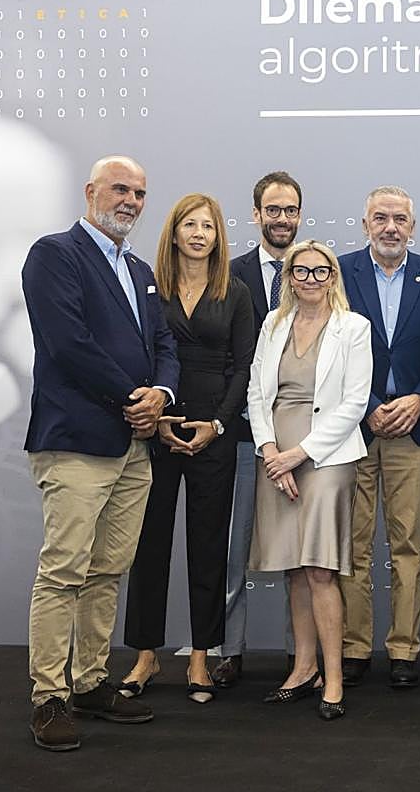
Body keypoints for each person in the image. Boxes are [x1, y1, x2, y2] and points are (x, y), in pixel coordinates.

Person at [22, 156, 179, 751]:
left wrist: (160, 394)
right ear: (90, 191)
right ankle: (49, 696)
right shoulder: (54, 254)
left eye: (140, 192)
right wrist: (129, 398)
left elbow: (163, 343)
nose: (132, 201)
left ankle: (88, 680)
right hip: (76, 441)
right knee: (64, 570)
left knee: (108, 569)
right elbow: (68, 342)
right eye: (121, 189)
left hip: (133, 446)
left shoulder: (139, 269)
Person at [120, 194, 254, 702]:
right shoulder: (147, 287)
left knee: (208, 546)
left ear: (219, 237)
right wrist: (156, 422)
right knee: (149, 547)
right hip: (157, 429)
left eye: (209, 226)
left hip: (214, 434)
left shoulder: (236, 292)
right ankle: (146, 656)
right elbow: (139, 354)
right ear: (173, 232)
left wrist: (218, 424)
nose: (199, 234)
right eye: (190, 225)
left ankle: (202, 655)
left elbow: (245, 367)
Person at [246, 240, 372, 720]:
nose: (311, 280)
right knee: (294, 568)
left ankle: (334, 679)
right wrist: (271, 451)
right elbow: (257, 394)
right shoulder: (272, 325)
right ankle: (302, 669)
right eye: (302, 271)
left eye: (322, 272)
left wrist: (300, 454)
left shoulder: (353, 328)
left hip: (327, 456)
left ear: (333, 278)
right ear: (289, 277)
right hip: (276, 453)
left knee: (320, 568)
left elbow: (355, 404)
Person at [338, 186, 420, 690]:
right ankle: (354, 647)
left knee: (408, 546)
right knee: (352, 547)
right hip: (351, 432)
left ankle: (404, 650)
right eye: (380, 218)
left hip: (414, 429)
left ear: (413, 226)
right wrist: (366, 407)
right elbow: (326, 352)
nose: (390, 227)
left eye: (400, 218)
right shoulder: (338, 272)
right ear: (364, 225)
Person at [215, 171, 304, 686]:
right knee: (235, 548)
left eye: (290, 210)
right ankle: (230, 650)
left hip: (303, 440)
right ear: (256, 215)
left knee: (302, 551)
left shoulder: (317, 272)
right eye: (273, 210)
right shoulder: (230, 274)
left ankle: (302, 653)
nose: (282, 219)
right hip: (245, 435)